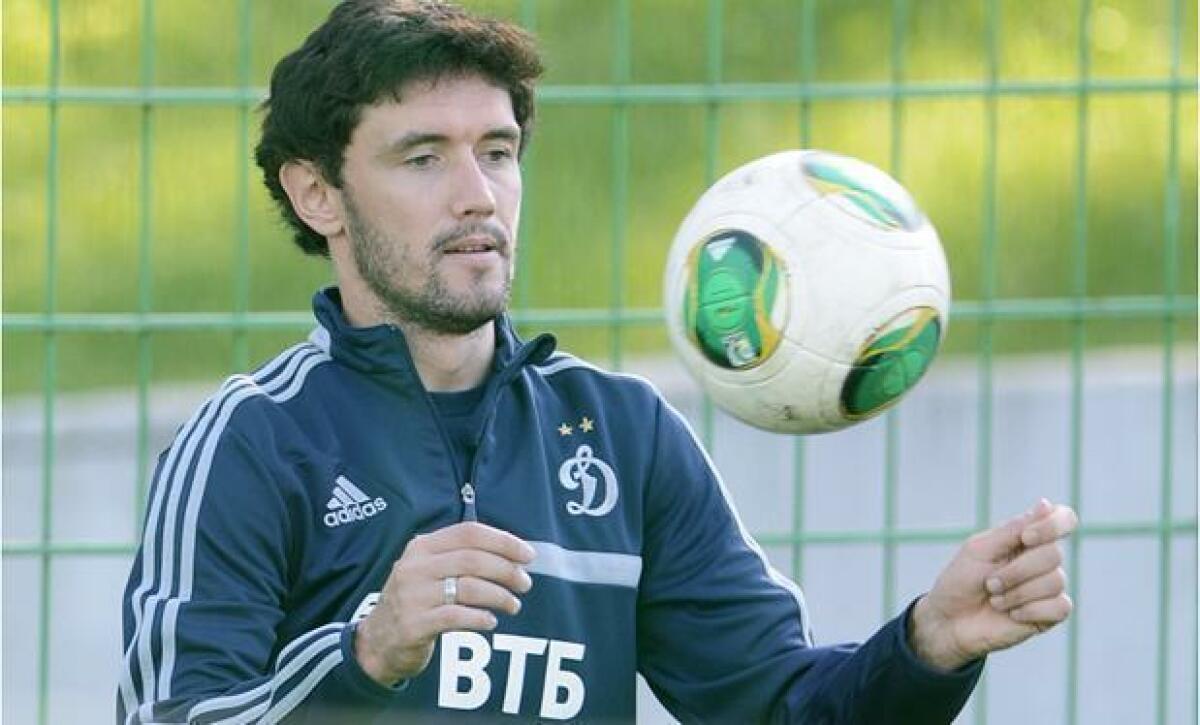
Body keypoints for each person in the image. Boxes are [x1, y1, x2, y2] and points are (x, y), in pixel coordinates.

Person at [117, 1, 1078, 722]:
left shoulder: (624, 432)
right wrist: (367, 654)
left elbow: (780, 705)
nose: (477, 196)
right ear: (318, 194)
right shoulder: (252, 443)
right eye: (423, 158)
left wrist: (927, 645)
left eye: (498, 152)